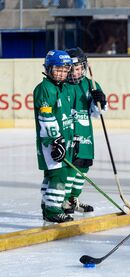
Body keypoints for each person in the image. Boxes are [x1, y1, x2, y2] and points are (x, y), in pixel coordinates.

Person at [62, 47, 107, 214]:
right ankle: (64, 200)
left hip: (84, 133)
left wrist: (100, 100)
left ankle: (74, 199)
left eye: (78, 68)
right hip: (67, 133)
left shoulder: (90, 84)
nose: (75, 72)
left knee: (83, 167)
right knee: (68, 168)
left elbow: (98, 112)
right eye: (71, 69)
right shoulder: (61, 85)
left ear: (84, 67)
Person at [33, 50, 75, 223]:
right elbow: (46, 116)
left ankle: (48, 205)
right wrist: (55, 140)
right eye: (58, 69)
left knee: (52, 175)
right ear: (48, 68)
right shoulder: (45, 89)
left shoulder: (64, 88)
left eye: (65, 70)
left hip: (62, 140)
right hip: (50, 142)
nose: (62, 73)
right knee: (59, 175)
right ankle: (52, 210)